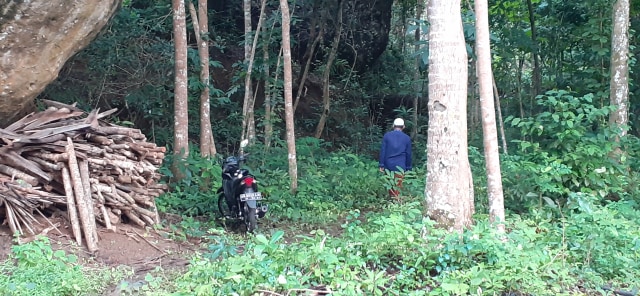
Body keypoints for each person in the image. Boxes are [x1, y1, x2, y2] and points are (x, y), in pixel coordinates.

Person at [379, 118, 412, 197]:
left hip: (388, 165)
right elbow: (408, 154)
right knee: (398, 186)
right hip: (400, 166)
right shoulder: (407, 138)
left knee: (390, 186)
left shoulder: (387, 136)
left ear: (393, 126)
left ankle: (391, 202)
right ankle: (396, 203)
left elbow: (383, 151)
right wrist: (408, 167)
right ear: (403, 127)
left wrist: (381, 165)